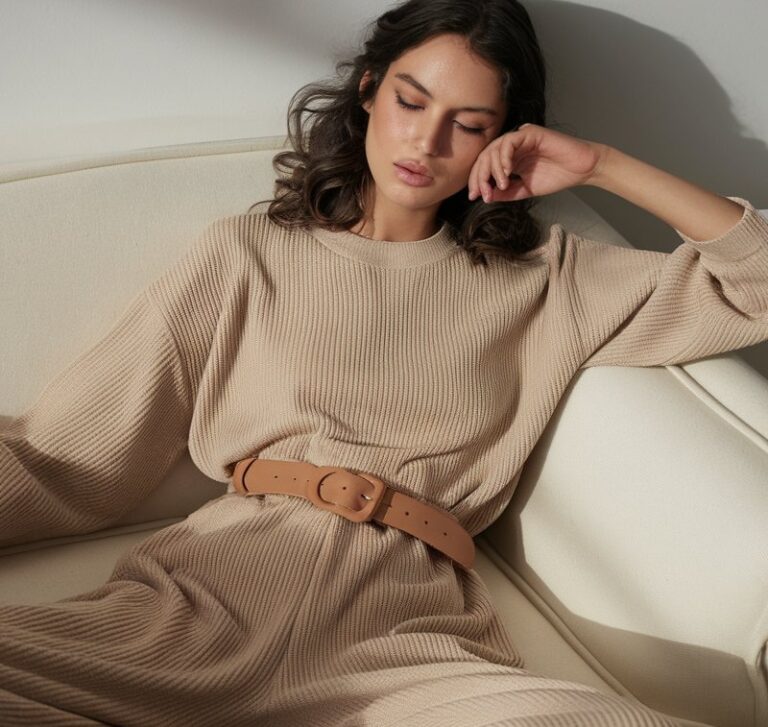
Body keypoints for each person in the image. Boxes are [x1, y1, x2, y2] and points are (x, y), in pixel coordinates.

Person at [1, 0, 766, 724]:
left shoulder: (547, 278)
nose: (427, 144)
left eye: (467, 125)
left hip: (403, 646)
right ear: (368, 90)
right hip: (199, 607)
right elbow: (59, 458)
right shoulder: (246, 255)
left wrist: (601, 164)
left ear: (504, 136)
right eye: (411, 102)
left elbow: (756, 284)